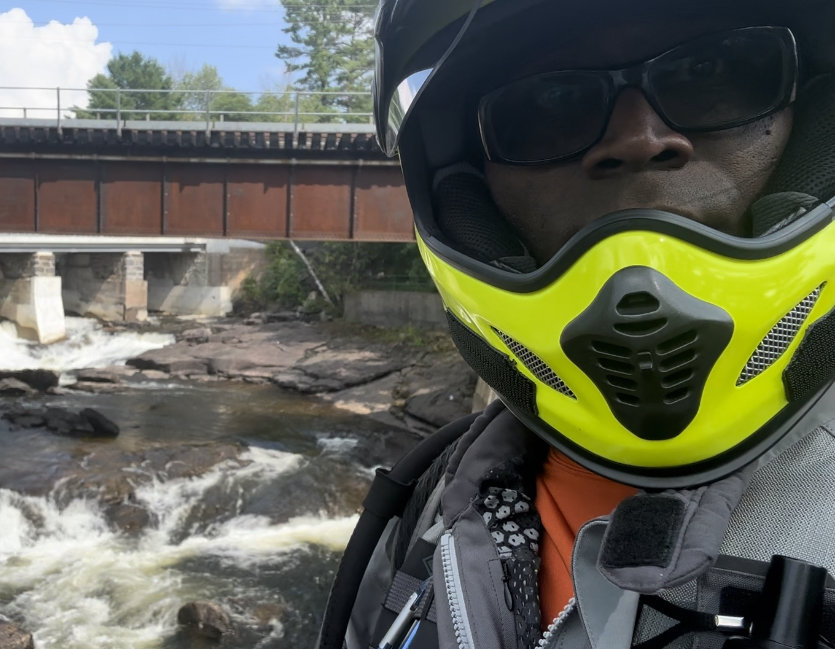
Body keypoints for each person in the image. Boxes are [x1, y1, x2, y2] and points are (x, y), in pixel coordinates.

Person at [317, 0, 835, 648]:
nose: (638, 138)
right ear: (471, 193)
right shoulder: (430, 500)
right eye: (549, 104)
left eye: (710, 71)